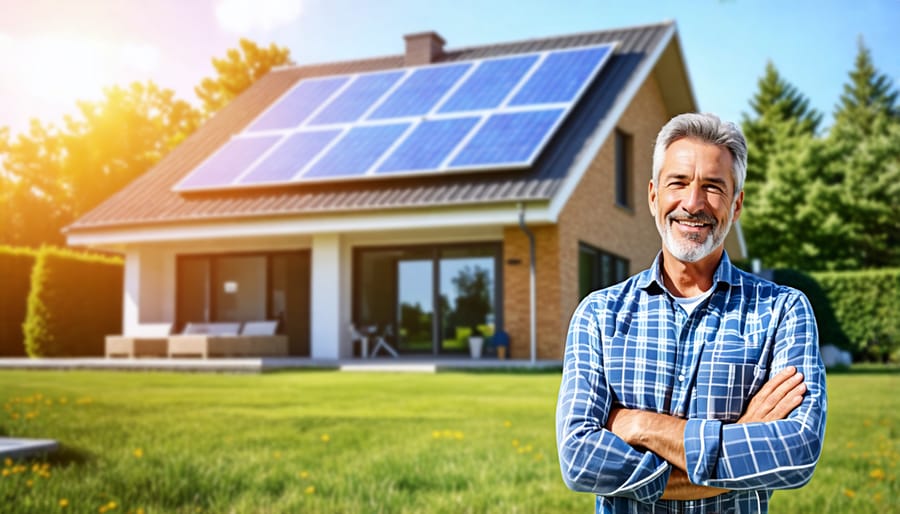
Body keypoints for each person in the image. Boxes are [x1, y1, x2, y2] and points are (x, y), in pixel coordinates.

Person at [556, 113, 826, 513]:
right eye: (678, 183)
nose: (693, 203)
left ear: (736, 205)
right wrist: (741, 436)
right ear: (653, 196)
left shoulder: (783, 311)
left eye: (713, 187)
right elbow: (579, 460)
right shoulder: (598, 314)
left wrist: (643, 426)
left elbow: (798, 452)